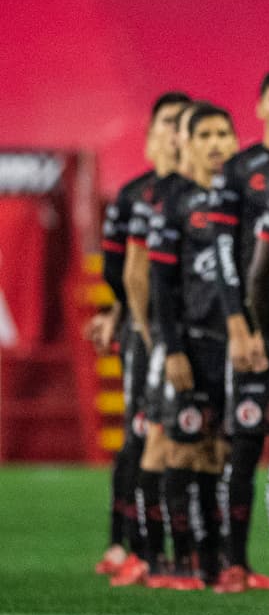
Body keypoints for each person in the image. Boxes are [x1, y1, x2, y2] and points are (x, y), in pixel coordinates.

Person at [211, 69, 269, 592]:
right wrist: (238, 324)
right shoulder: (239, 170)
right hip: (251, 325)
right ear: (260, 108)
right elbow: (224, 252)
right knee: (246, 443)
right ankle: (233, 562)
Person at [95, 91, 190, 583]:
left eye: (183, 124)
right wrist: (125, 315)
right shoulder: (136, 195)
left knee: (187, 434)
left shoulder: (201, 192)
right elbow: (124, 270)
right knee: (141, 431)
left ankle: (185, 549)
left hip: (188, 329)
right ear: (153, 135)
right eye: (168, 124)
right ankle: (123, 540)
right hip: (144, 331)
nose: (177, 133)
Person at [147, 103, 242, 589]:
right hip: (194, 343)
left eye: (223, 133)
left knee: (223, 452)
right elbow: (161, 285)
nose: (216, 143)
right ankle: (184, 559)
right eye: (204, 133)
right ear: (188, 143)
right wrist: (173, 349)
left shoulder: (241, 198)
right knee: (186, 450)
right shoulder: (177, 204)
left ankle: (221, 559)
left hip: (236, 345)